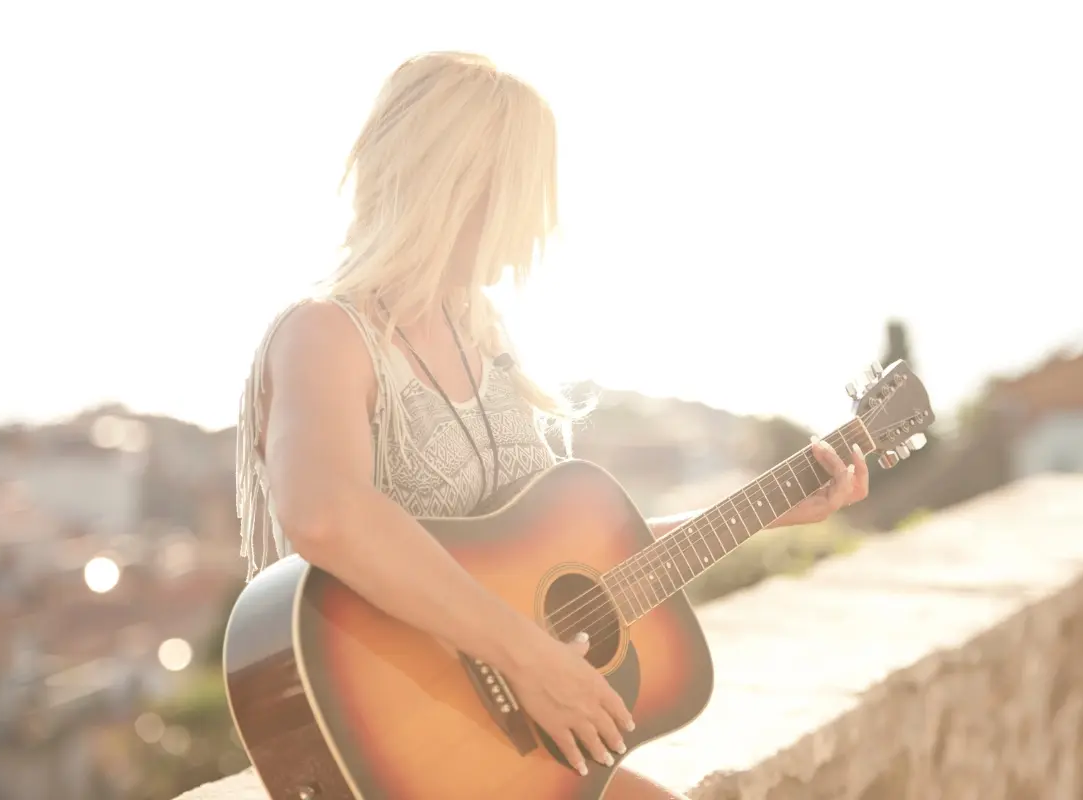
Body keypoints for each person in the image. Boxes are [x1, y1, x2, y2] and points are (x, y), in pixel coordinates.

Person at [235, 51, 869, 800]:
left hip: (497, 749)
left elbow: (558, 569)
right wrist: (528, 662)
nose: (542, 220)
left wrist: (766, 512)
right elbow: (323, 512)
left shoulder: (483, 336)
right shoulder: (326, 332)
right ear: (463, 184)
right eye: (530, 191)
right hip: (410, 752)